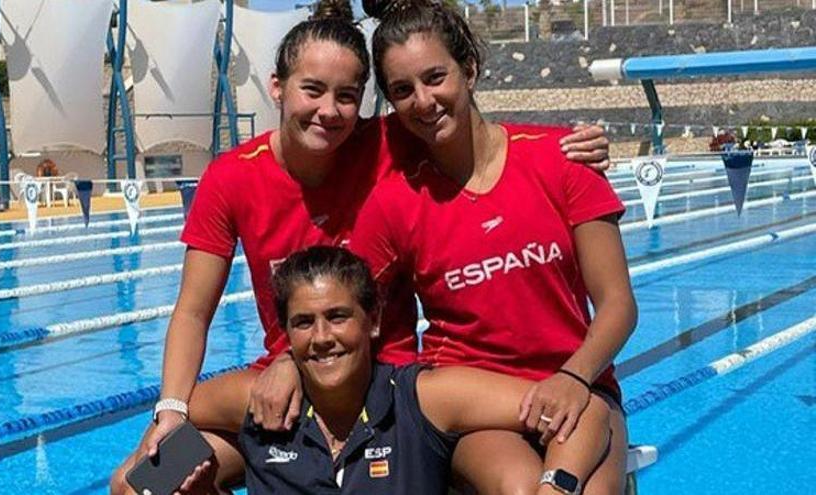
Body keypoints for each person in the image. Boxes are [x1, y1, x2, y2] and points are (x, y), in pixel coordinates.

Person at [109, 0, 612, 492]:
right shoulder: (232, 178)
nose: (329, 111)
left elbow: (449, 109)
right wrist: (172, 411)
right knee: (138, 484)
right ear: (277, 87)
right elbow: (193, 311)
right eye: (313, 90)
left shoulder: (388, 143)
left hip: (383, 381)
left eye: (347, 95)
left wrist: (566, 146)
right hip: (288, 382)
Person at [346, 0, 638, 493]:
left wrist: (574, 376)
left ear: (471, 69)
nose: (423, 100)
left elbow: (617, 304)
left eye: (435, 77)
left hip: (582, 387)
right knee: (520, 487)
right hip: (478, 407)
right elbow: (345, 300)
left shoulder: (561, 159)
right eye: (402, 90)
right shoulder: (396, 202)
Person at [179, 246, 612, 495]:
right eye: (303, 322)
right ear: (285, 334)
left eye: (338, 316)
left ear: (374, 321)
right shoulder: (252, 400)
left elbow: (586, 410)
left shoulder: (420, 399)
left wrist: (556, 487)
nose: (322, 337)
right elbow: (138, 475)